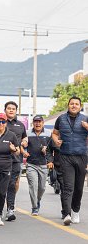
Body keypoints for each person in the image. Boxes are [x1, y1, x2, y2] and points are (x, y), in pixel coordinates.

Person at [52, 96, 88, 226]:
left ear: (80, 106)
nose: (74, 106)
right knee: (68, 187)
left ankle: (75, 211)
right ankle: (67, 214)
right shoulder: (61, 118)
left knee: (78, 188)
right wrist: (56, 140)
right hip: (66, 156)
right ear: (68, 105)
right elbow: (55, 133)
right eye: (71, 104)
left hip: (82, 156)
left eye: (76, 104)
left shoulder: (85, 119)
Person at [23, 115, 51, 216]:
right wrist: (24, 152)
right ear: (33, 123)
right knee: (33, 186)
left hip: (44, 164)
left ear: (43, 123)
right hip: (31, 164)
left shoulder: (49, 133)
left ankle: (37, 200)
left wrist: (46, 150)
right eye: (35, 121)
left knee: (42, 188)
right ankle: (35, 207)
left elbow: (52, 148)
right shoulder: (27, 133)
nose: (37, 123)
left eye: (39, 121)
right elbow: (23, 145)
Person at [4, 101, 28, 221]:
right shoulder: (0, 123)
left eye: (13, 109)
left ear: (16, 111)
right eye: (9, 108)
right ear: (5, 110)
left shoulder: (20, 125)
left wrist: (24, 141)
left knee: (12, 184)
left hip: (16, 160)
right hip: (1, 159)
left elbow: (24, 137)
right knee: (0, 186)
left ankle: (10, 209)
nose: (11, 110)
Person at [46, 137, 65, 218]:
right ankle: (66, 211)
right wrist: (50, 161)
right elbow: (48, 150)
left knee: (75, 190)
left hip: (74, 167)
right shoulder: (54, 138)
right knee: (64, 189)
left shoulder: (76, 135)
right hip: (60, 167)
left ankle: (75, 210)